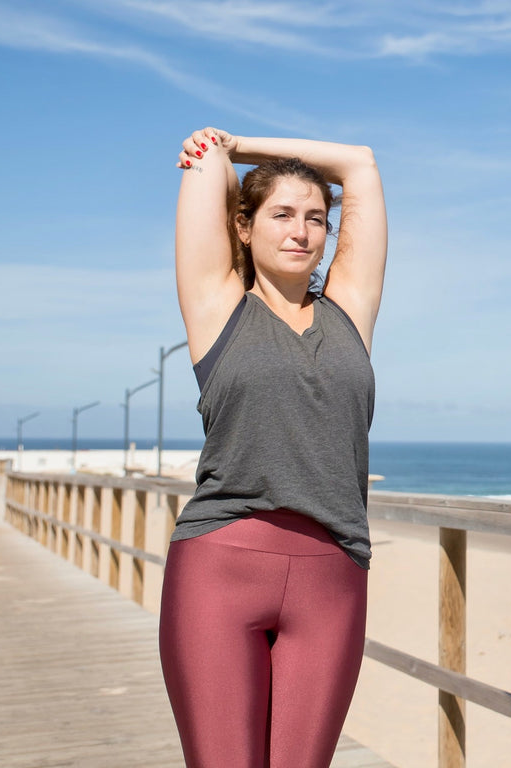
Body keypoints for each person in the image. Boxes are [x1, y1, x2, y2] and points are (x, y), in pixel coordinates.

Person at [158, 127, 386, 767]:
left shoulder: (350, 311)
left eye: (316, 218)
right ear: (243, 226)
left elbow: (359, 163)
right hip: (219, 568)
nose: (301, 231)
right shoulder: (217, 308)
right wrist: (220, 147)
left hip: (333, 576)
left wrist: (251, 143)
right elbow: (207, 166)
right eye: (281, 214)